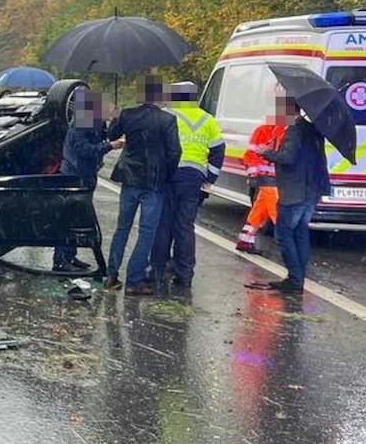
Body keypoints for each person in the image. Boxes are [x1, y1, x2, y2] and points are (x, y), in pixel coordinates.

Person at [103, 76, 180, 295]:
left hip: (129, 179)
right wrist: (167, 175)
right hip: (154, 183)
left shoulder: (128, 115)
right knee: (147, 232)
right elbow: (175, 152)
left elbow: (111, 135)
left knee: (122, 228)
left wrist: (116, 117)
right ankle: (134, 279)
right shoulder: (167, 120)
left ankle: (111, 274)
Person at [149, 80, 224, 292]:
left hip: (169, 175)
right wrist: (210, 178)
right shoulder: (207, 119)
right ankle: (184, 274)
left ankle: (158, 268)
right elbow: (218, 151)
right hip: (194, 179)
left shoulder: (168, 115)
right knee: (184, 226)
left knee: (163, 224)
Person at [257, 93, 331, 294]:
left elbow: (288, 158)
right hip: (312, 188)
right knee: (300, 231)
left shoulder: (294, 132)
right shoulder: (313, 129)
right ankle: (298, 278)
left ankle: (295, 278)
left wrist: (266, 152)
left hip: (295, 190)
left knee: (283, 233)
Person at [52, 87, 114, 272]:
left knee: (75, 218)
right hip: (74, 176)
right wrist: (110, 146)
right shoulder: (82, 123)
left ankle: (70, 255)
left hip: (83, 174)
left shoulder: (91, 121)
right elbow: (84, 150)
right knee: (69, 218)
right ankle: (61, 260)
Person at [234, 114, 287, 252]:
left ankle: (245, 240)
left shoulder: (278, 130)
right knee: (278, 211)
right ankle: (289, 243)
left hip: (269, 177)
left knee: (260, 210)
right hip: (268, 177)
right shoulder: (270, 131)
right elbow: (251, 154)